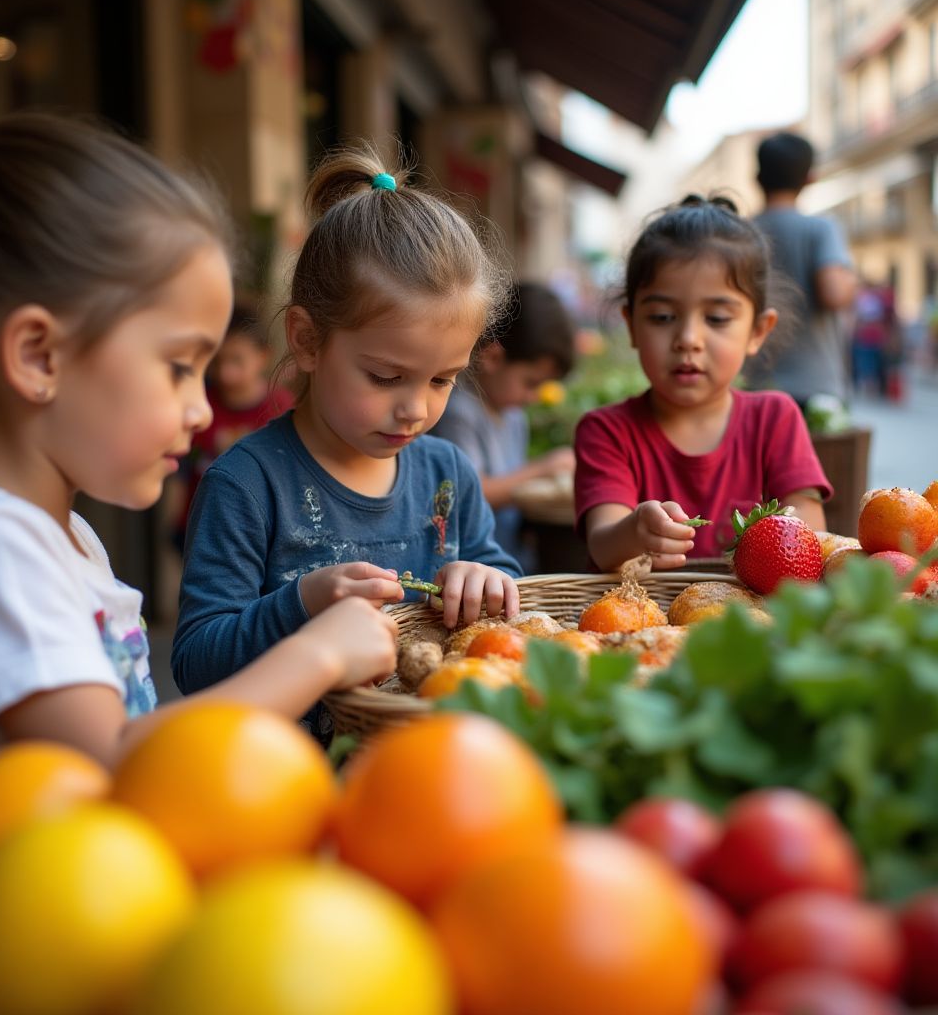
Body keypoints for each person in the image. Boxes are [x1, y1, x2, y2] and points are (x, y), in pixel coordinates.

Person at [0, 100, 398, 844]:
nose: (201, 412)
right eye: (178, 368)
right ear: (39, 356)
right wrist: (317, 654)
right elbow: (113, 767)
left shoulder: (60, 537)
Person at [172, 147, 522, 729]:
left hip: (433, 765)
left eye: (443, 380)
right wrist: (301, 603)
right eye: (386, 377)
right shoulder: (248, 485)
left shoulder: (447, 473)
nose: (415, 408)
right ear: (307, 340)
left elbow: (497, 578)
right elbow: (196, 664)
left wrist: (489, 579)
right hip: (287, 780)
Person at [574, 195, 832, 572]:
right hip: (639, 625)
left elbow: (809, 536)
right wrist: (636, 531)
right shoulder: (607, 431)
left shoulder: (775, 419)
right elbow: (603, 543)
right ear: (631, 326)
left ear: (758, 330)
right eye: (662, 317)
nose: (688, 338)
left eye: (716, 318)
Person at [430, 282, 575, 564]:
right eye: (530, 383)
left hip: (507, 555)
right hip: (469, 564)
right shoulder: (459, 410)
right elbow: (471, 491)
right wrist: (544, 469)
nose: (535, 396)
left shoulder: (512, 415)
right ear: (493, 356)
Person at [169, 296, 293, 553]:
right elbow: (181, 468)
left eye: (237, 361)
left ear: (263, 356)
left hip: (260, 530)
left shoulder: (280, 407)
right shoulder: (200, 403)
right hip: (200, 525)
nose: (225, 372)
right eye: (217, 361)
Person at [743, 131, 857, 406]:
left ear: (757, 178)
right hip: (814, 386)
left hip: (752, 386)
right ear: (811, 178)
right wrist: (852, 278)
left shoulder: (740, 233)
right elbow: (834, 294)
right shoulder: (820, 229)